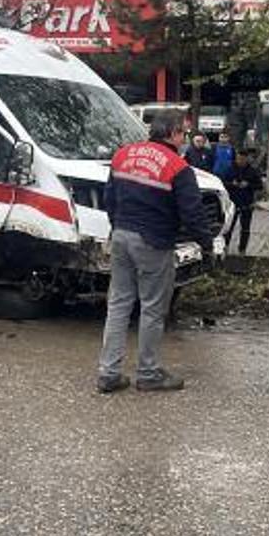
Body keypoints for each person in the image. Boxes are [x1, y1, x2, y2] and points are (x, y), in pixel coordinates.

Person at [98, 109, 213, 393]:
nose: (185, 138)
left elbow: (108, 199)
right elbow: (192, 213)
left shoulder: (123, 155)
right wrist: (207, 244)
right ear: (173, 133)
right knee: (152, 308)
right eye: (184, 133)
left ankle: (108, 373)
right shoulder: (177, 167)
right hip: (153, 242)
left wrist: (118, 227)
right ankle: (148, 373)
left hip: (122, 236)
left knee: (118, 305)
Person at [223, 149, 263, 254]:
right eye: (239, 159)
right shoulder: (229, 169)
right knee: (228, 227)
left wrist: (248, 184)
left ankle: (242, 250)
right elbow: (223, 183)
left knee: (245, 228)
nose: (241, 161)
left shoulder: (252, 170)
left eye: (243, 159)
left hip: (247, 202)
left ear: (247, 159)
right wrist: (232, 184)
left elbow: (260, 186)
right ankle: (225, 247)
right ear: (236, 158)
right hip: (232, 202)